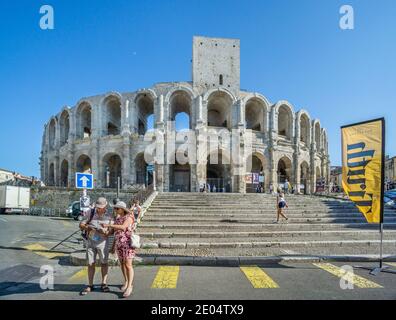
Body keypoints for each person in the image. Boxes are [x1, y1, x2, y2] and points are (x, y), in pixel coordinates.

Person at [79, 197, 113, 295]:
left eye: (101, 207)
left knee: (104, 263)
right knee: (90, 263)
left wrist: (106, 232)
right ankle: (90, 285)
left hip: (103, 243)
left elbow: (111, 230)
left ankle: (104, 283)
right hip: (90, 242)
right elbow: (81, 225)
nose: (99, 209)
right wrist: (88, 227)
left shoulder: (110, 214)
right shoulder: (91, 212)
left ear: (105, 205)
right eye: (98, 207)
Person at [101, 201, 135, 298]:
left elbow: (123, 227)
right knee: (122, 265)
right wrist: (102, 230)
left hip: (128, 244)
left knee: (128, 265)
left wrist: (109, 225)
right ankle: (126, 281)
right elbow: (112, 233)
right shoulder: (117, 219)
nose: (115, 210)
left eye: (117, 208)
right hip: (119, 245)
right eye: (115, 208)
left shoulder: (129, 217)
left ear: (122, 209)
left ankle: (129, 286)